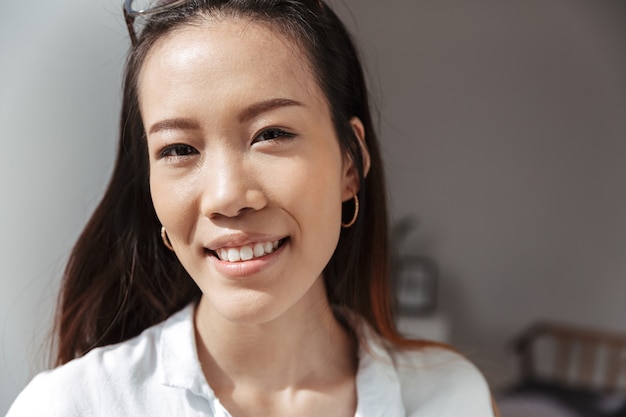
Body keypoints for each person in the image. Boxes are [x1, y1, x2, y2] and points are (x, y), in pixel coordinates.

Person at [7, 0, 497, 415]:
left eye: (271, 134)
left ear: (351, 164)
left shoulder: (449, 397)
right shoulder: (73, 406)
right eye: (179, 149)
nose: (226, 197)